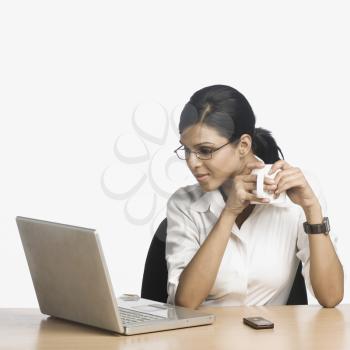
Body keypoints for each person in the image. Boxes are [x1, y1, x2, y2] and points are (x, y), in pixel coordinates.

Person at [165, 84, 343, 309]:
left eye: (205, 150)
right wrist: (229, 212)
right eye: (187, 150)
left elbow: (331, 297)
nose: (192, 162)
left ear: (243, 145)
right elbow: (186, 302)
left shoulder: (298, 191)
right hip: (202, 342)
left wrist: (312, 209)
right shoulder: (184, 204)